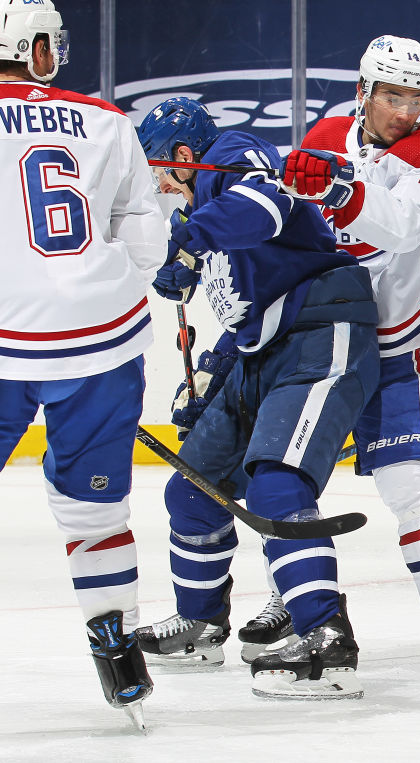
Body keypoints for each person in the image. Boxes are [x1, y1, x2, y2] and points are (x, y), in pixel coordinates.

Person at [133, 97, 381, 700]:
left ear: (186, 157)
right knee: (191, 488)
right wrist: (212, 379)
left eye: (162, 168)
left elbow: (265, 206)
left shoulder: (231, 157)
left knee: (277, 484)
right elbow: (246, 319)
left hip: (323, 330)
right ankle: (200, 623)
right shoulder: (200, 215)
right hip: (263, 354)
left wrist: (192, 240)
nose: (160, 182)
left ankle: (325, 637)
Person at [270, 34, 420, 673]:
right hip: (316, 341)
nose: (405, 111)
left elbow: (403, 226)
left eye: (416, 99)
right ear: (364, 92)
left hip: (392, 341)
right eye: (392, 96)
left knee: (411, 483)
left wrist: (335, 191)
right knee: (283, 478)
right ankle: (293, 598)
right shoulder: (327, 131)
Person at [0, 0, 164, 729]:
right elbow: (147, 241)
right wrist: (101, 295)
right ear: (31, 46)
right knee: (96, 510)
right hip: (101, 341)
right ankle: (117, 646)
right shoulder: (106, 119)